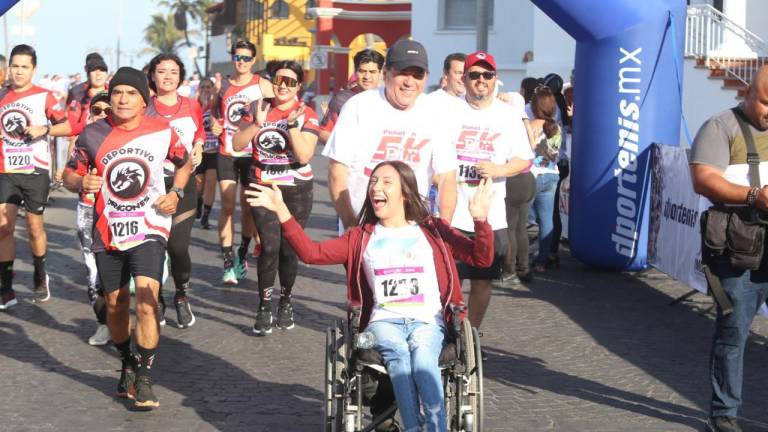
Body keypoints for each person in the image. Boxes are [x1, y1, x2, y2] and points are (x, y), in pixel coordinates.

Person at [245, 160, 494, 432]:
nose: (376, 187)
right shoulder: (361, 237)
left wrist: (480, 220)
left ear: (405, 192)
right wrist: (282, 210)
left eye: (387, 182)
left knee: (423, 360)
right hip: (381, 324)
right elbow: (311, 253)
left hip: (427, 321)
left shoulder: (433, 230)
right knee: (398, 354)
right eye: (373, 182)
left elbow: (481, 259)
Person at [63, 66, 191, 410]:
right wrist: (81, 183)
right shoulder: (92, 134)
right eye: (117, 92)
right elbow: (68, 174)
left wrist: (177, 193)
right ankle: (127, 362)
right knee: (117, 306)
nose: (122, 98)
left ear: (143, 100)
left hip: (150, 226)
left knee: (148, 300)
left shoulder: (163, 131)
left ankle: (146, 378)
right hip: (108, 230)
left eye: (131, 93)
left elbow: (185, 162)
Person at [690, 65, 768, 432]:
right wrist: (754, 196)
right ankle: (723, 414)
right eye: (766, 102)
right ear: (747, 93)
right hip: (740, 249)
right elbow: (703, 180)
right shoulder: (721, 127)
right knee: (734, 332)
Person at [441, 51, 534, 333]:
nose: (481, 80)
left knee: (483, 283)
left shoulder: (507, 116)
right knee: (447, 282)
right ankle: (447, 335)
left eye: (487, 75)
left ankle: (469, 337)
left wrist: (498, 170)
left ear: (495, 80)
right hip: (451, 213)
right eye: (475, 75)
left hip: (491, 218)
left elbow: (524, 159)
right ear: (464, 78)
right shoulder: (448, 112)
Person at [324, 39, 458, 231]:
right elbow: (337, 171)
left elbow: (447, 178)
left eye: (418, 74)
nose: (409, 82)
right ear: (385, 73)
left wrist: (445, 231)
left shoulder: (436, 113)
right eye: (402, 72)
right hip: (364, 226)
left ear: (426, 78)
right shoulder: (359, 106)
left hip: (413, 231)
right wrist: (351, 227)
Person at [233, 60, 320, 335]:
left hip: (296, 187)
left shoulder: (307, 113)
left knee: (288, 248)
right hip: (263, 183)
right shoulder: (257, 107)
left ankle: (286, 300)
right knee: (269, 247)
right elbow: (237, 144)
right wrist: (256, 124)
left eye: (291, 82)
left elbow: (305, 155)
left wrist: (292, 127)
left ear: (299, 86)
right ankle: (263, 306)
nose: (284, 86)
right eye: (279, 80)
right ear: (272, 82)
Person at [0, 44, 71, 309]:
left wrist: (45, 129)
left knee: (33, 228)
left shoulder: (45, 96)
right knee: (4, 227)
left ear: (34, 69)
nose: (18, 72)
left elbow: (68, 125)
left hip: (35, 171)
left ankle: (40, 276)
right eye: (14, 66)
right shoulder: (0, 95)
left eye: (24, 67)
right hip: (6, 171)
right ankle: (6, 287)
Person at [145, 53, 205, 329]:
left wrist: (200, 146)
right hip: (153, 186)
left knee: (177, 246)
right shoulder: (144, 107)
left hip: (184, 184)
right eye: (161, 71)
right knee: (153, 248)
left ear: (180, 76)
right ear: (152, 76)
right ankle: (156, 300)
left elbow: (200, 132)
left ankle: (181, 294)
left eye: (172, 71)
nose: (167, 76)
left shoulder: (192, 105)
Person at [213, 39, 273, 284]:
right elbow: (215, 114)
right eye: (238, 57)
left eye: (246, 58)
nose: (241, 62)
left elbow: (278, 109)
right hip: (227, 152)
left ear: (253, 61)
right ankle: (227, 261)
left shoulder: (263, 85)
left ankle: (241, 252)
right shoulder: (224, 86)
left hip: (253, 154)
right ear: (233, 58)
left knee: (248, 207)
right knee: (227, 205)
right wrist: (215, 124)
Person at [72, 91, 112, 345]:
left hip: (125, 216)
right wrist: (80, 181)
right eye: (97, 110)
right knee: (93, 273)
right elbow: (68, 176)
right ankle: (104, 324)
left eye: (108, 111)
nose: (102, 115)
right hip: (89, 213)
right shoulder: (83, 141)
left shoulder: (132, 140)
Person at [318, 49, 384, 144]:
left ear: (380, 73)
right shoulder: (341, 99)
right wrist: (345, 148)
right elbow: (323, 132)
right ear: (355, 71)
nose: (367, 76)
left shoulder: (388, 99)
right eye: (362, 71)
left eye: (372, 72)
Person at [528, 86, 562, 274]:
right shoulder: (555, 128)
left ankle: (519, 260)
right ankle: (542, 261)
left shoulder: (530, 126)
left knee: (520, 221)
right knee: (546, 220)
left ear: (535, 107)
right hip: (551, 176)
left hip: (532, 175)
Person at [196, 77, 221, 229]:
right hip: (199, 151)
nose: (206, 89)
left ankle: (206, 216)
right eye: (203, 87)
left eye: (208, 87)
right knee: (199, 186)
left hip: (214, 151)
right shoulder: (194, 106)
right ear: (199, 89)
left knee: (211, 184)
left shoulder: (216, 107)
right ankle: (198, 202)